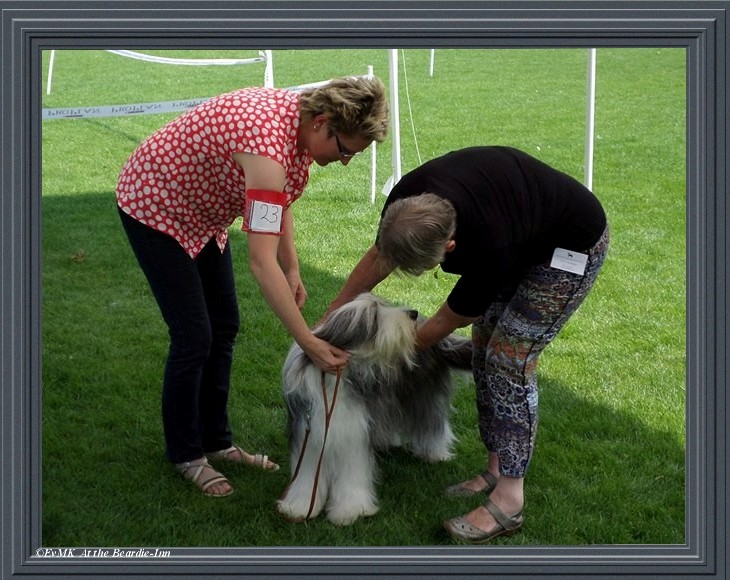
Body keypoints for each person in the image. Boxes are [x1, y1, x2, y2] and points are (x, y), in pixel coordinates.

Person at [116, 76, 389, 497]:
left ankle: (217, 442)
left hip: (202, 213)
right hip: (155, 205)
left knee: (223, 325)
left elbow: (276, 201)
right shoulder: (266, 147)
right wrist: (309, 342)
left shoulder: (295, 123)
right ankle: (187, 454)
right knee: (193, 337)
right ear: (322, 123)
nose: (347, 160)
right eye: (345, 150)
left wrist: (294, 267)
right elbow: (261, 264)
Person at [324, 146, 608, 543]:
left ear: (450, 249)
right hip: (521, 226)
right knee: (483, 349)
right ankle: (494, 469)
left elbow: (443, 322)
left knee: (508, 359)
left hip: (567, 250)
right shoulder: (407, 201)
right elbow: (381, 254)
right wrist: (330, 320)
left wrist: (392, 353)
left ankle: (509, 499)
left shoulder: (490, 244)